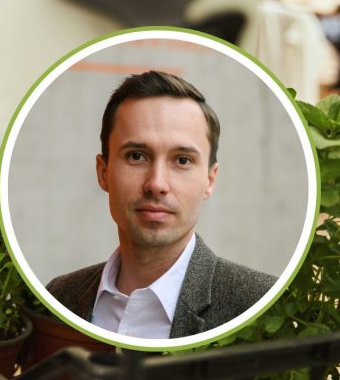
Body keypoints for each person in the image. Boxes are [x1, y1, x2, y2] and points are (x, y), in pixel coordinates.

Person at [44, 70, 275, 339]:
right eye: (137, 156)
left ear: (209, 181)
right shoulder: (59, 297)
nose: (157, 183)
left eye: (182, 160)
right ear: (103, 172)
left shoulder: (262, 305)